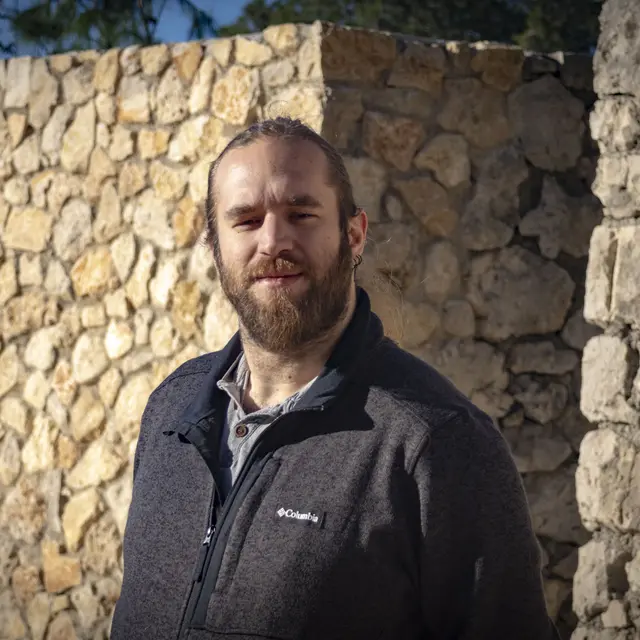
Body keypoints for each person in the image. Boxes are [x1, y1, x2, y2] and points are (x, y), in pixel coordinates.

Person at [111, 117, 560, 640]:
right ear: (213, 246)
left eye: (301, 214)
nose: (273, 241)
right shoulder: (172, 410)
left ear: (354, 235)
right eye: (247, 220)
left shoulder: (437, 442)